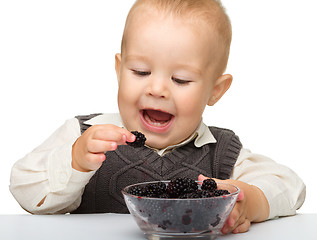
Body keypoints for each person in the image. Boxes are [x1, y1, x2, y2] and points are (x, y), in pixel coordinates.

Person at [10, 0, 305, 235]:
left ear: (215, 91)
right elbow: (24, 188)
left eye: (180, 79)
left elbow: (290, 187)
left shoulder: (222, 150)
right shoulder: (85, 134)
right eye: (140, 72)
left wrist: (247, 201)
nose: (157, 89)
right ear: (119, 69)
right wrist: (74, 161)